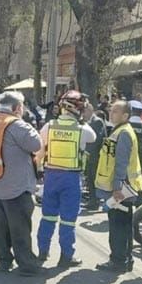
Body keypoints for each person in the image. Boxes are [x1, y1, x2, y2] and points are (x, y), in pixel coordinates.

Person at [0, 91, 44, 276]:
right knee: (20, 228)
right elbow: (36, 145)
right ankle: (27, 265)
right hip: (14, 187)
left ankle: (3, 261)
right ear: (17, 108)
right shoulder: (17, 125)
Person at [36, 90, 96, 267]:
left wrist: (38, 171)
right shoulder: (83, 129)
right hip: (71, 178)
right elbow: (93, 137)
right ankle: (66, 256)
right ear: (77, 109)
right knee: (68, 219)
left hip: (51, 176)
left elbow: (39, 151)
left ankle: (42, 252)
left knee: (48, 216)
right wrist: (82, 121)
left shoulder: (49, 126)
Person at [94, 101, 142, 273]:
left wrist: (117, 187)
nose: (111, 113)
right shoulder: (120, 130)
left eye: (115, 111)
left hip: (122, 188)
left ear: (125, 115)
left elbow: (121, 162)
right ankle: (125, 259)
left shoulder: (123, 133)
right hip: (125, 186)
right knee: (124, 225)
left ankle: (118, 261)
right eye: (111, 110)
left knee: (118, 226)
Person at [83, 102, 106, 210]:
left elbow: (97, 140)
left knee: (94, 179)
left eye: (84, 111)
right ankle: (92, 200)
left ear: (90, 110)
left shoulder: (97, 121)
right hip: (88, 156)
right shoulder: (85, 122)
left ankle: (95, 200)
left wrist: (89, 151)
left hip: (96, 156)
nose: (83, 113)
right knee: (89, 179)